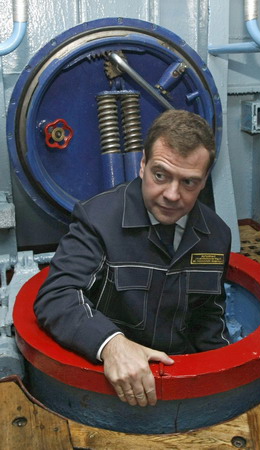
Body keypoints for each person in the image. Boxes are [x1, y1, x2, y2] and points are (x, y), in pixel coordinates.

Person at [34, 109, 231, 408]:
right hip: (108, 383)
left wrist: (222, 380)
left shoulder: (216, 235)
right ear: (142, 165)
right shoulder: (97, 219)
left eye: (189, 182)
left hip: (180, 381)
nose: (172, 195)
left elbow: (208, 317)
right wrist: (111, 343)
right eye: (160, 175)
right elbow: (57, 295)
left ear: (204, 181)